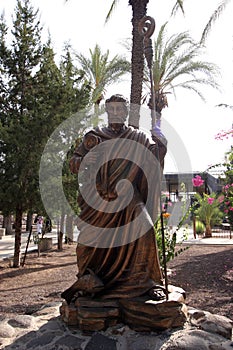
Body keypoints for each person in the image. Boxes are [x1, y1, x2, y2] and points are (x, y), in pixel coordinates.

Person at [61, 94, 167, 304]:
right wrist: (83, 159)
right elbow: (74, 163)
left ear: (126, 112)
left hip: (129, 198)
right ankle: (88, 280)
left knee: (145, 228)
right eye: (113, 109)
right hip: (99, 200)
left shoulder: (137, 137)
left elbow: (153, 159)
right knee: (88, 243)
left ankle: (148, 283)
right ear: (107, 112)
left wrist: (161, 144)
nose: (116, 113)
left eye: (121, 109)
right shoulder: (95, 135)